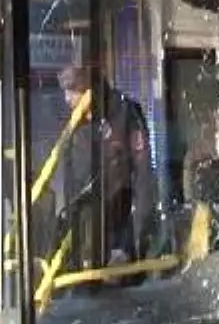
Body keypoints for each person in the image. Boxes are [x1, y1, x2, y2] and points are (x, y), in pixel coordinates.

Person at [56, 64, 156, 271]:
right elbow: (71, 185)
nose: (67, 100)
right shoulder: (75, 126)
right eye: (66, 92)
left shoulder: (126, 114)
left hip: (123, 226)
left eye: (73, 91)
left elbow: (143, 176)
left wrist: (132, 246)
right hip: (87, 232)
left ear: (90, 91)